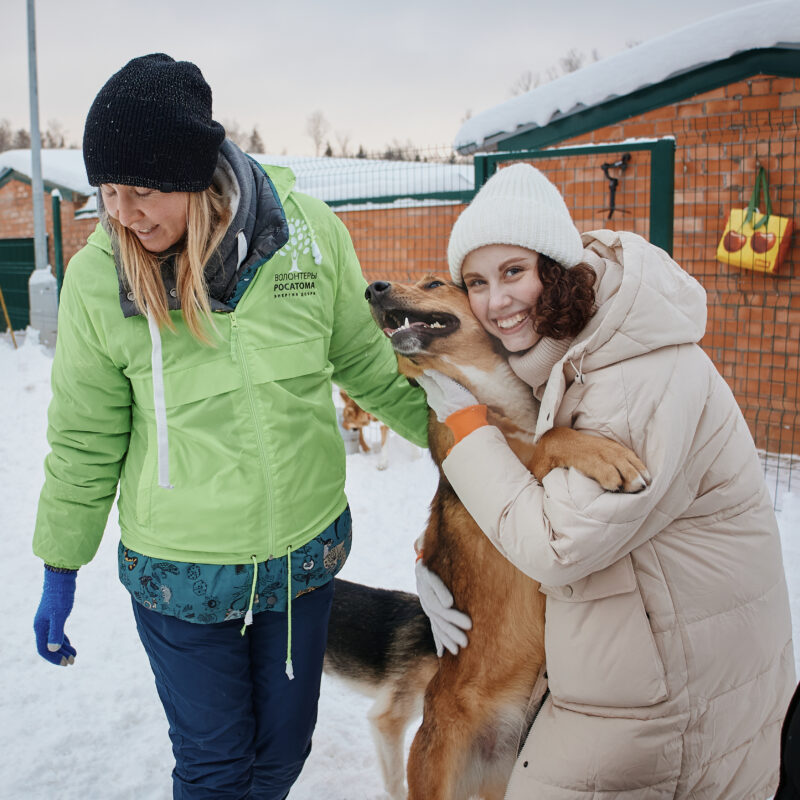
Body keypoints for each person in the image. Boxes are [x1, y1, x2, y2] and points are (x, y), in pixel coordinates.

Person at [31, 53, 429, 799]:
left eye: (142, 191)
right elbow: (85, 437)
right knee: (215, 771)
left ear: (195, 175)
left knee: (280, 756)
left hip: (297, 567)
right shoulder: (97, 279)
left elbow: (370, 369)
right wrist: (61, 563)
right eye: (107, 192)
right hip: (178, 575)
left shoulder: (305, 237)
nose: (121, 213)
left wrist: (467, 441)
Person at [414, 163, 795, 798]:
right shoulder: (567, 353)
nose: (496, 300)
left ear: (555, 268)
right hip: (629, 658)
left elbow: (554, 545)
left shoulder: (634, 370)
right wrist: (439, 561)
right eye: (476, 282)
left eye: (514, 272)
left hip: (677, 693)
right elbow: (533, 480)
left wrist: (462, 421)